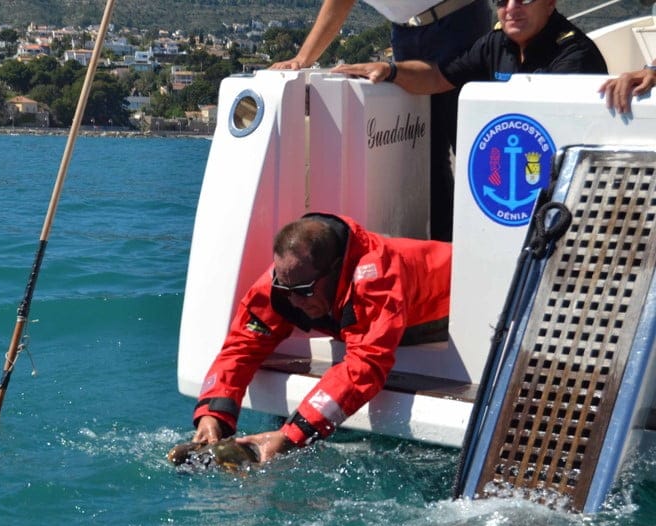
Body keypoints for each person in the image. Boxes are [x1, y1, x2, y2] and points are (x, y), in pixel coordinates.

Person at [191, 213, 451, 464]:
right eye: (284, 288)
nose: (292, 300)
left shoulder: (377, 278)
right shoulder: (291, 278)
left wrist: (292, 435)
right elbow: (242, 345)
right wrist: (212, 415)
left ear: (335, 270)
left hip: (445, 305)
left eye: (303, 292)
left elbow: (364, 368)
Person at [270, 0, 494, 244]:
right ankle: (445, 253)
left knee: (473, 146)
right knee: (426, 154)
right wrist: (302, 59)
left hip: (459, 21)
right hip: (406, 33)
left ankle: (490, 247)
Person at [332, 0, 607, 97]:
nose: (511, 9)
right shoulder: (495, 43)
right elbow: (438, 77)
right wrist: (389, 70)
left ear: (550, 2)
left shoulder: (574, 56)